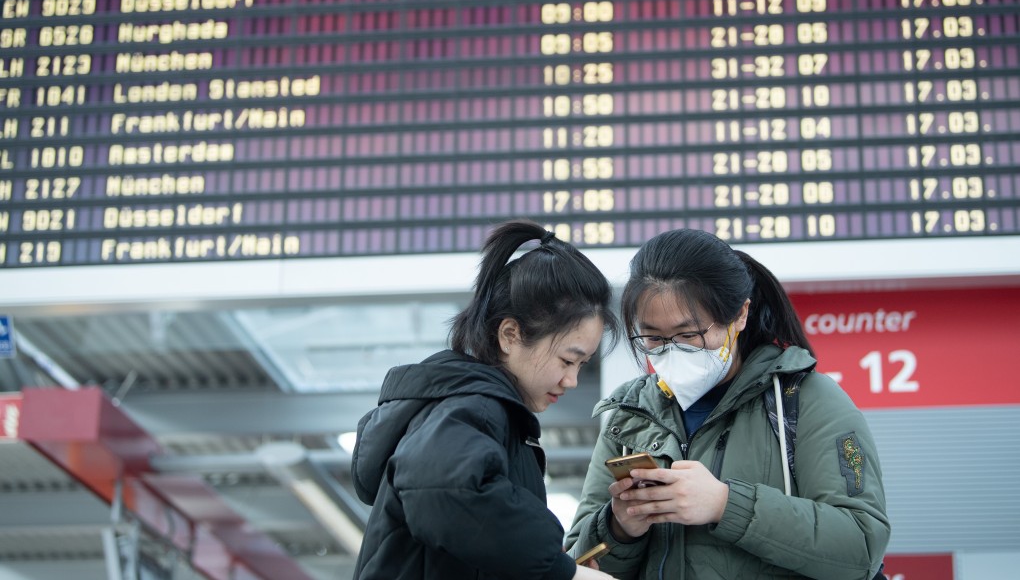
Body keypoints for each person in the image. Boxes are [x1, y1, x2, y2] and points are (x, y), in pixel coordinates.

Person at [565, 228, 890, 579]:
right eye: (653, 338)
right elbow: (577, 563)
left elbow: (861, 547)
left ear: (739, 316)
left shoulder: (805, 400)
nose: (672, 350)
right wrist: (619, 528)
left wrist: (725, 504)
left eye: (689, 335)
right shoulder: (630, 418)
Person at [351, 219, 622, 580]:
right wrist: (557, 570)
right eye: (567, 360)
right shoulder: (475, 406)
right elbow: (444, 488)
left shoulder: (466, 407)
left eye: (582, 365)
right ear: (510, 334)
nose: (571, 380)